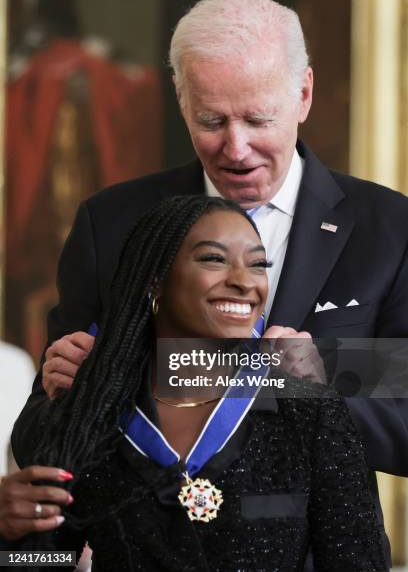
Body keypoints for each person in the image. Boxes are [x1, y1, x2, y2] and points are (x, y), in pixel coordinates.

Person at [10, 0, 408, 565]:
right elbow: (44, 453)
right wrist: (62, 385)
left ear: (304, 94)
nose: (236, 147)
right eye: (212, 120)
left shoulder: (389, 230)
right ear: (181, 99)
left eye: (257, 119)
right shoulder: (114, 223)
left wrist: (320, 378)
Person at [1, 197, 387, 571]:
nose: (243, 282)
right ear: (155, 280)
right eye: (214, 259)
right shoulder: (89, 412)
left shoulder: (308, 409)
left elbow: (357, 562)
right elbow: (47, 560)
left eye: (258, 265)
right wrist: (6, 536)